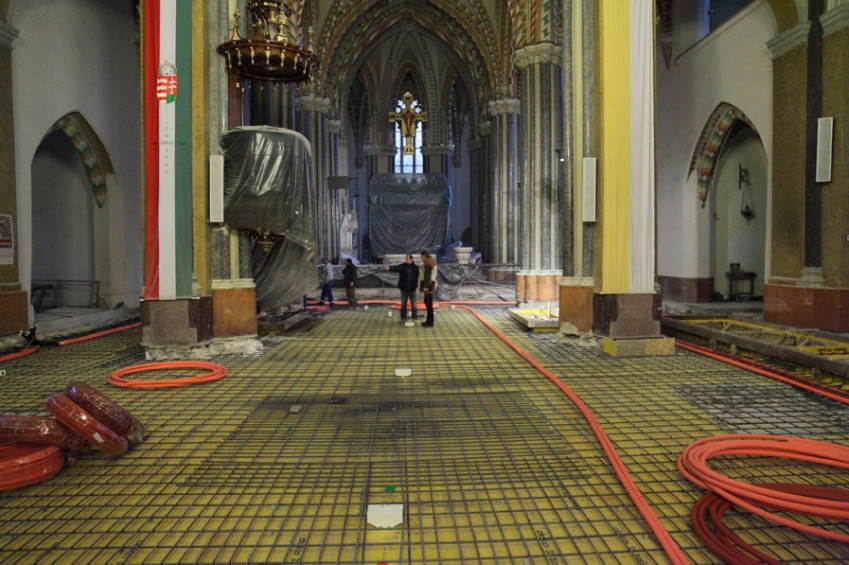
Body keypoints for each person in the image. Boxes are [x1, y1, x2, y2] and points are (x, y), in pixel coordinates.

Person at [384, 254, 419, 321]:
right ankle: (403, 317)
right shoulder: (403, 266)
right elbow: (396, 268)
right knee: (403, 304)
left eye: (408, 259)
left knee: (414, 304)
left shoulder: (415, 268)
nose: (407, 260)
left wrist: (416, 285)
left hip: (412, 289)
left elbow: (418, 277)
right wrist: (389, 268)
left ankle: (414, 317)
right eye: (406, 259)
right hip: (404, 289)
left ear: (411, 259)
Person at [418, 250, 437, 327]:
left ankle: (430, 322)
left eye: (421, 256)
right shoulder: (430, 261)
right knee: (428, 303)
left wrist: (426, 287)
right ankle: (429, 321)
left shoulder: (428, 264)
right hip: (430, 285)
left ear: (424, 256)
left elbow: (427, 276)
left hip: (428, 287)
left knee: (428, 304)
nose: (421, 258)